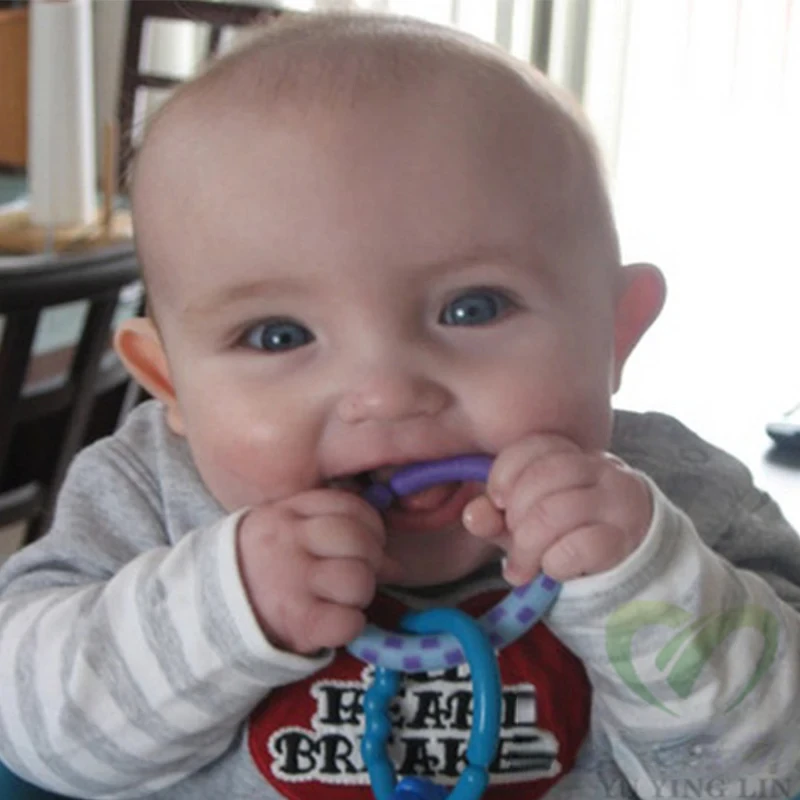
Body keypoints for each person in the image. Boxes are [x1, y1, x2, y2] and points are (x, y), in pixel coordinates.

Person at [0, 11, 799, 800]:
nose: (385, 393)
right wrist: (221, 610)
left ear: (614, 331)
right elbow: (25, 728)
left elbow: (770, 775)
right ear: (170, 382)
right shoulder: (145, 498)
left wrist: (653, 589)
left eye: (473, 308)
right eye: (278, 334)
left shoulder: (687, 500)